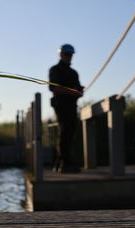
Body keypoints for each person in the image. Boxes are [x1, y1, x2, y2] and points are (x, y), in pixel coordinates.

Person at [49, 44, 84, 173]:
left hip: (72, 106)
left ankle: (60, 162)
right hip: (61, 105)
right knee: (65, 131)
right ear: (61, 54)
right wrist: (72, 92)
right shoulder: (55, 70)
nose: (69, 57)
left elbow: (79, 90)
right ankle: (65, 163)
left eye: (70, 55)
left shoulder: (73, 73)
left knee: (69, 132)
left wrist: (78, 92)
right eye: (67, 54)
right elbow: (55, 88)